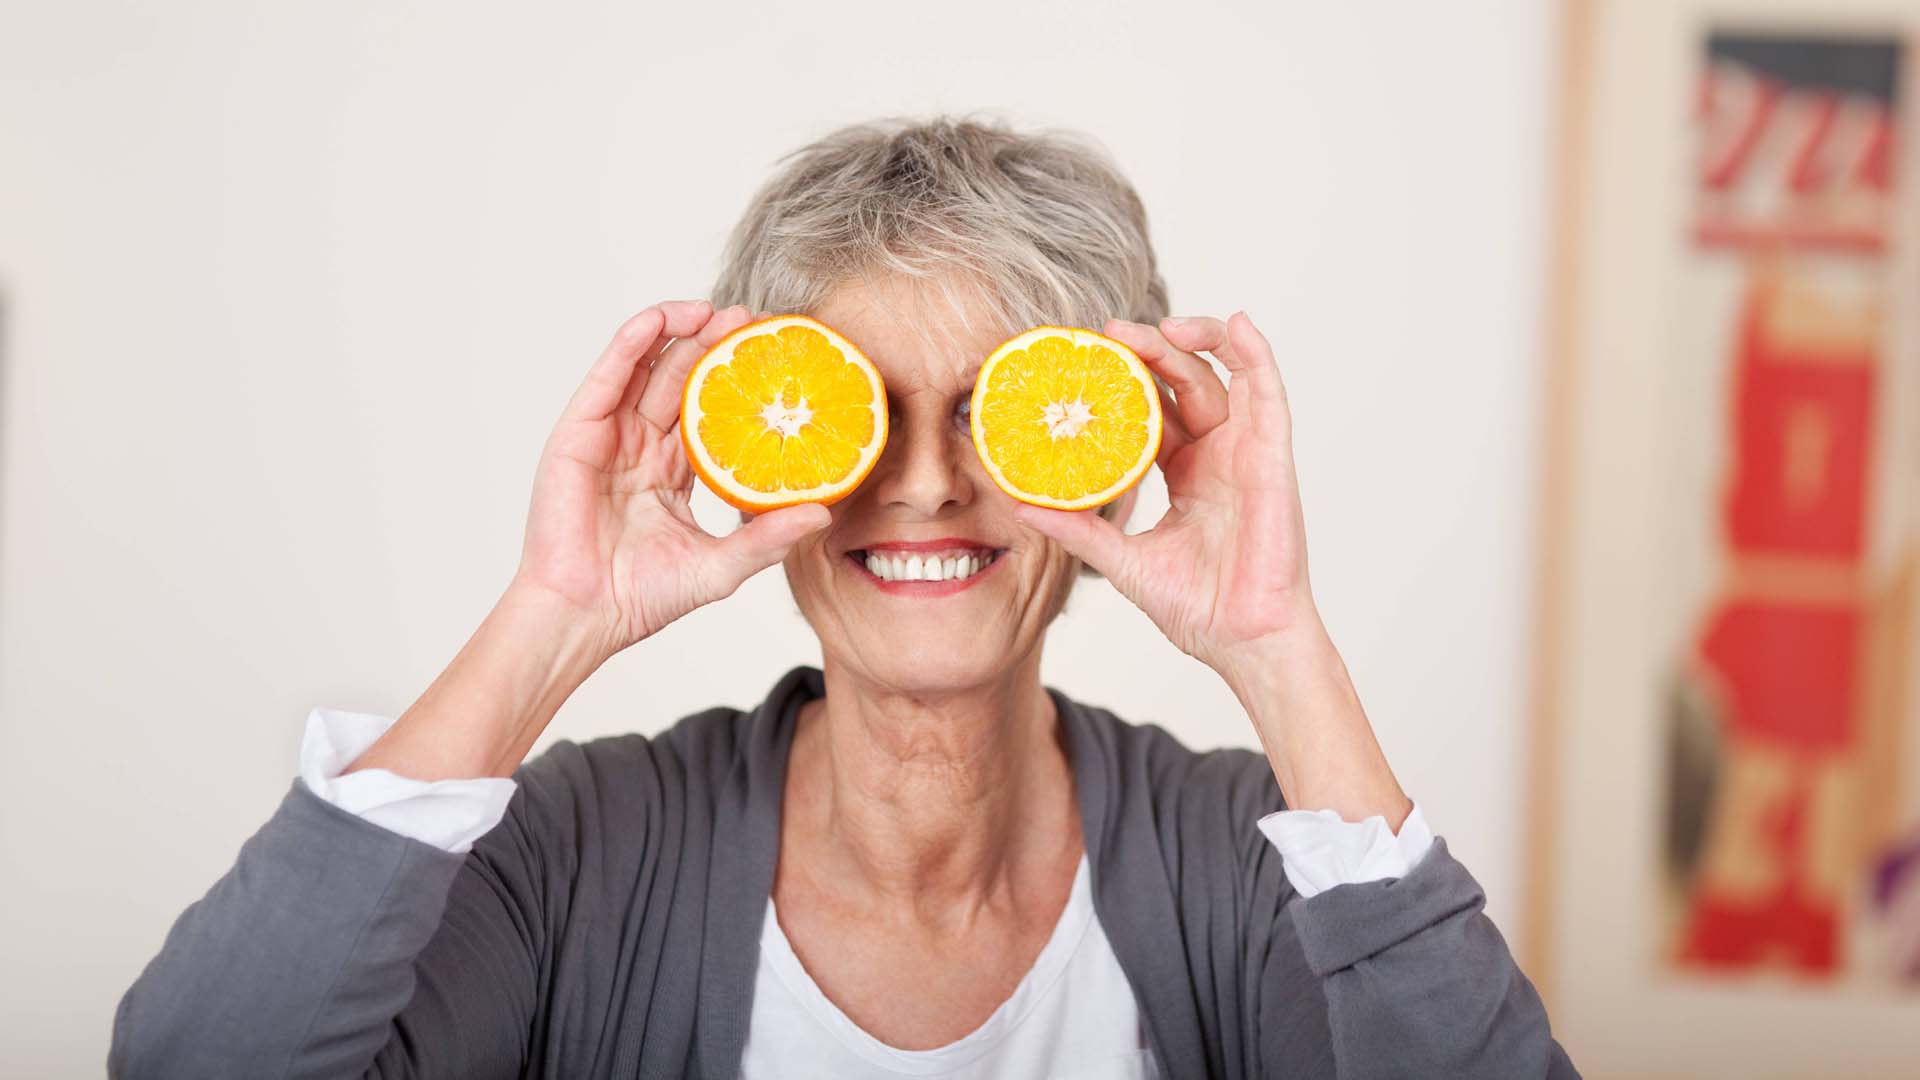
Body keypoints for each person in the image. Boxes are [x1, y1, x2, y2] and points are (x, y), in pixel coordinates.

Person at [110, 115, 1576, 1079]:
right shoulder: (574, 853)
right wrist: (553, 614)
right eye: (854, 413)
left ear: (1114, 453)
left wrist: (1278, 646)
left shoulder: (1253, 871)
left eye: (1001, 417)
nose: (926, 486)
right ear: (753, 449)